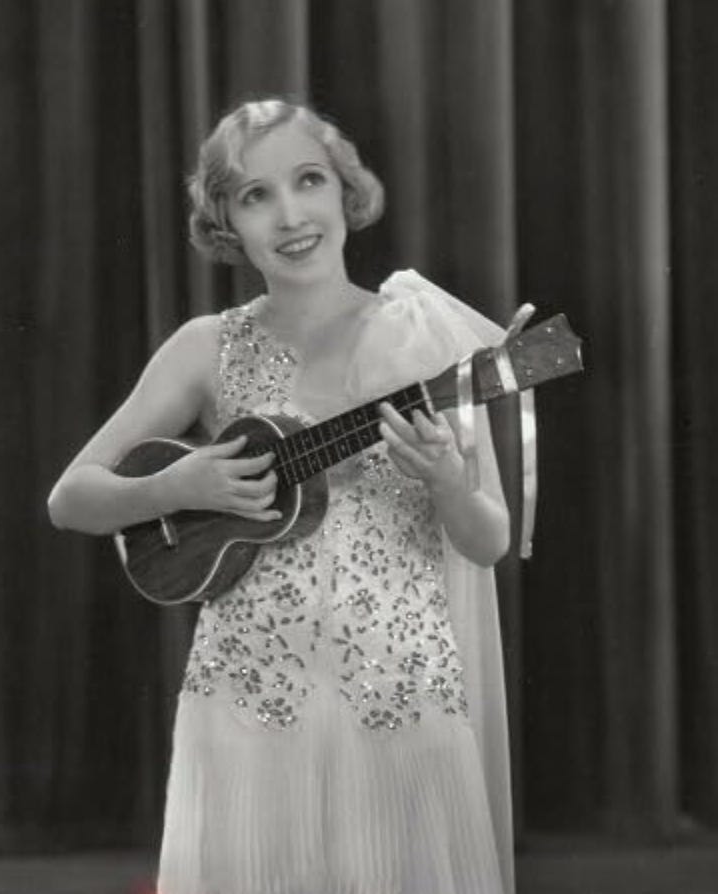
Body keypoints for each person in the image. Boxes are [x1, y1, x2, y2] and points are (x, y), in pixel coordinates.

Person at [48, 97, 515, 894]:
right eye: (256, 195)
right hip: (248, 698)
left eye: (308, 181)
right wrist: (178, 482)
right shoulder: (207, 348)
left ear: (346, 193)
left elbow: (489, 541)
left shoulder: (420, 339)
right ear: (225, 218)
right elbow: (72, 498)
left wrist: (443, 480)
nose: (291, 214)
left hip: (399, 691)